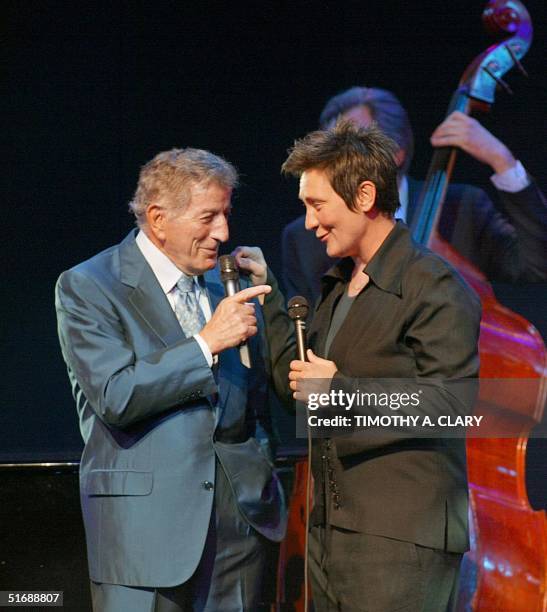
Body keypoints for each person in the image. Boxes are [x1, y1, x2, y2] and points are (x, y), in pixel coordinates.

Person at [235, 122, 481, 611]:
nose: (308, 223)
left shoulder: (432, 285)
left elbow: (455, 403)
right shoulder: (340, 286)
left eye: (317, 205)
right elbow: (303, 390)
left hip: (401, 538)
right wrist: (269, 298)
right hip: (332, 533)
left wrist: (342, 391)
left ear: (365, 195)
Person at [55, 148, 286, 612]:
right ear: (158, 219)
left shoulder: (228, 285)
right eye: (209, 217)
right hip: (143, 539)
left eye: (226, 213)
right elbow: (114, 395)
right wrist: (204, 344)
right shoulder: (89, 286)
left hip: (238, 537)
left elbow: (259, 400)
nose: (223, 232)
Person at [282, 86, 547, 305]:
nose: (333, 166)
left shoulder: (462, 208)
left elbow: (537, 265)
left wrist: (502, 160)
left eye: (351, 152)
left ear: (396, 153)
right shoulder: (303, 238)